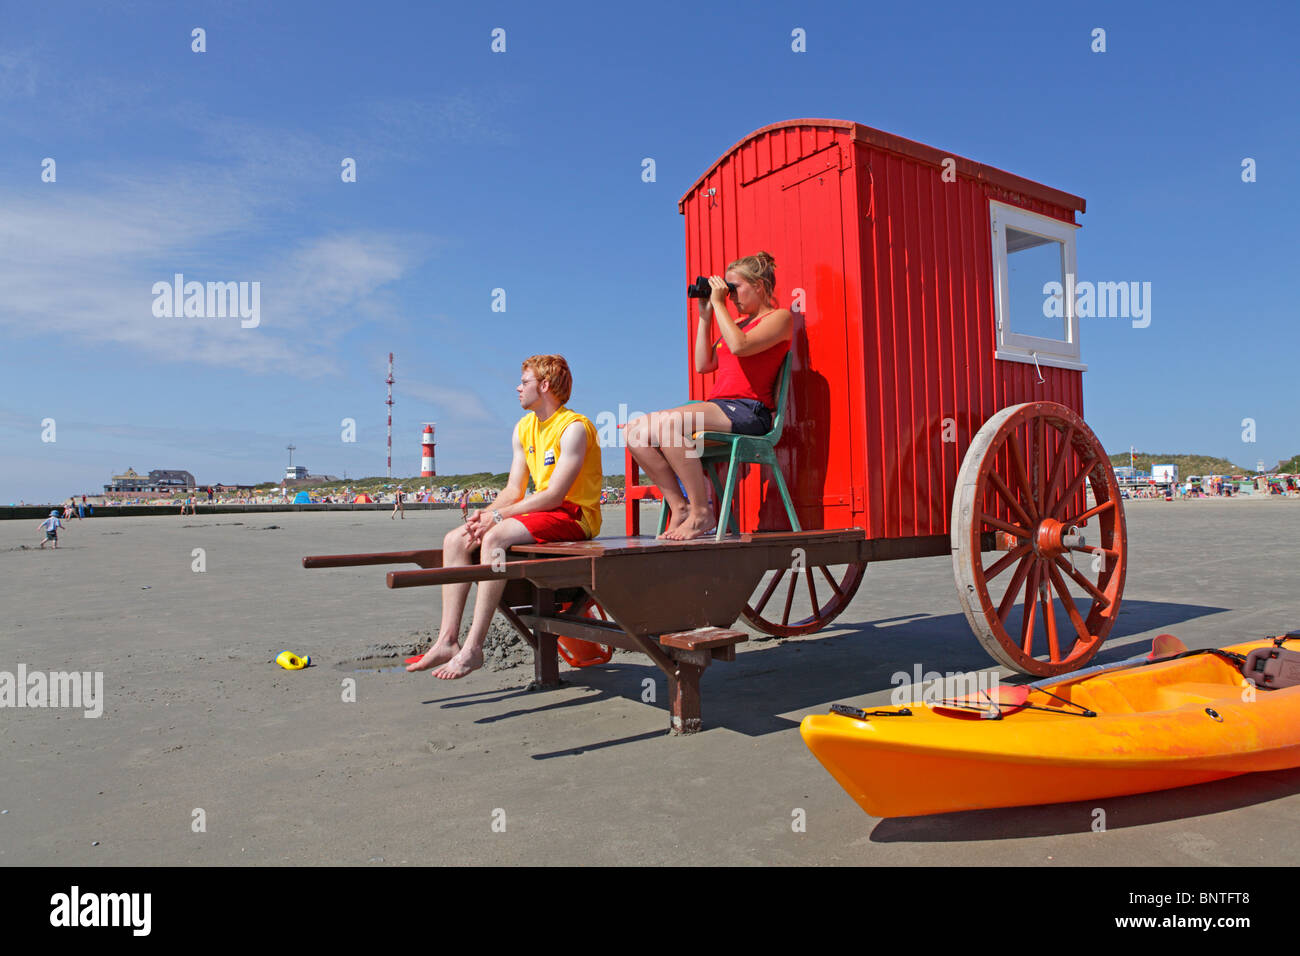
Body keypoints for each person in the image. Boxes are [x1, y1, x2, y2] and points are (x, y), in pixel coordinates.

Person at [407, 354, 603, 680]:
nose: (517, 388)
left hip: (575, 515)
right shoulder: (524, 428)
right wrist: (483, 515)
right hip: (544, 511)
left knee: (496, 537)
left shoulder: (574, 428)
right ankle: (448, 640)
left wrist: (496, 520)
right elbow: (514, 489)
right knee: (455, 539)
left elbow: (556, 495)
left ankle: (474, 648)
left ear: (544, 385)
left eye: (524, 382)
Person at [626, 251, 792, 539]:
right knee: (634, 432)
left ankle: (702, 512)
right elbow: (704, 365)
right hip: (721, 408)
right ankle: (680, 506)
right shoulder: (737, 323)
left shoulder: (779, 318)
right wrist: (706, 316)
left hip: (749, 411)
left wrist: (718, 305)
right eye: (726, 290)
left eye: (734, 288)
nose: (729, 296)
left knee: (668, 424)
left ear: (760, 286)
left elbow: (740, 347)